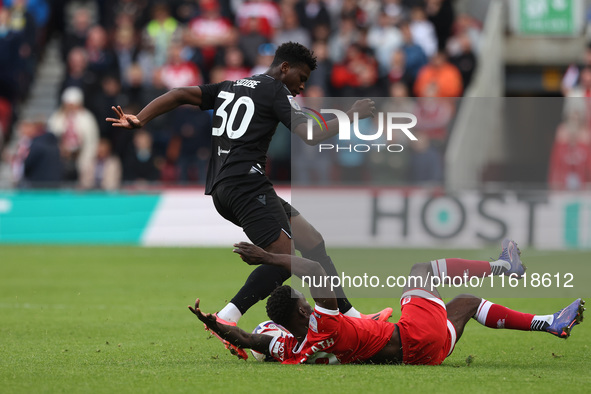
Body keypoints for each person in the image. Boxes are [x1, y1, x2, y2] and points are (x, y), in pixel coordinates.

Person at [106, 42, 383, 360]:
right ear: (284, 68)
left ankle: (353, 318)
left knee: (311, 239)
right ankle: (228, 317)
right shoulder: (277, 91)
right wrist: (350, 116)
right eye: (301, 76)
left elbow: (180, 93)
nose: (302, 85)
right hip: (246, 186)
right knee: (284, 257)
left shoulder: (230, 86)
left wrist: (141, 118)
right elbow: (309, 134)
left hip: (227, 188)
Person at [190, 239, 585, 365]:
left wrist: (211, 321)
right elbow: (310, 265)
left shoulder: (291, 348)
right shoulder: (322, 323)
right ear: (303, 309)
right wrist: (268, 257)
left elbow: (246, 339)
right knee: (420, 272)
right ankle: (503, 266)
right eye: (303, 299)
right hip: (413, 335)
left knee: (465, 304)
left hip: (424, 354)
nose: (309, 301)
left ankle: (550, 321)